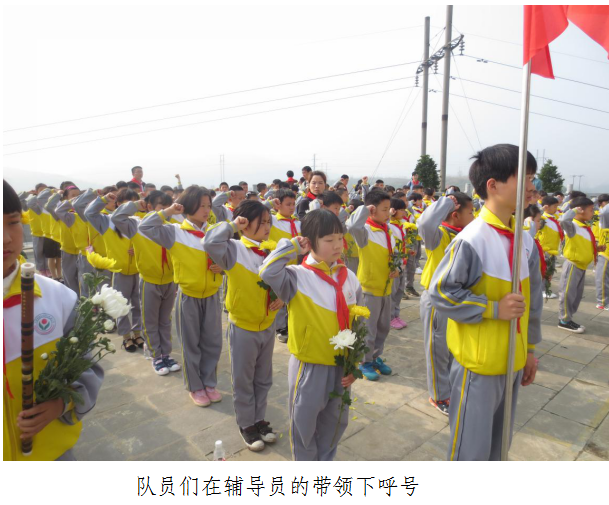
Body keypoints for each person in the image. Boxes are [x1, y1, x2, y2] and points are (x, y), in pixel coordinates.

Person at [429, 144, 542, 461]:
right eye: (525, 178)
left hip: (513, 361)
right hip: (478, 366)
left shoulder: (525, 241)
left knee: (499, 447)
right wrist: (493, 309)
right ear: (493, 185)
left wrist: (530, 349)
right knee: (471, 451)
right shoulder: (472, 239)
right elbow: (441, 293)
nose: (532, 186)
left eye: (533, 178)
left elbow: (532, 302)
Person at [3, 180, 103, 461]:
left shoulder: (59, 298)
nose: (6, 238)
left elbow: (87, 370)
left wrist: (61, 404)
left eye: (12, 222)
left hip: (51, 454)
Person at [259, 209, 362, 460]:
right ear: (310, 242)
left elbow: (359, 322)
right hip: (310, 366)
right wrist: (293, 246)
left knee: (336, 422)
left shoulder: (349, 277)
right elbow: (267, 272)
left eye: (340, 238)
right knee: (303, 424)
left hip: (341, 366)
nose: (337, 245)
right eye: (328, 240)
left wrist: (355, 362)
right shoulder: (296, 276)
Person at [204, 201, 283, 451]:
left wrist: (282, 296)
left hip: (267, 325)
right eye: (262, 222)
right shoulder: (233, 249)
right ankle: (246, 424)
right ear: (245, 224)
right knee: (244, 379)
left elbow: (286, 279)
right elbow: (209, 243)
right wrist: (232, 226)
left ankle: (259, 419)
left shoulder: (272, 250)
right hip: (243, 327)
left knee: (263, 378)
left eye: (269, 222)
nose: (267, 227)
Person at [139, 186, 224, 407]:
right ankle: (195, 387)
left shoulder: (215, 231)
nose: (206, 210)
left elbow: (229, 258)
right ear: (188, 206)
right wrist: (168, 211)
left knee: (213, 343)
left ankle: (209, 383)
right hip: (188, 296)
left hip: (212, 296)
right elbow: (144, 226)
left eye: (208, 205)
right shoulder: (174, 232)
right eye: (201, 206)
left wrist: (222, 267)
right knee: (191, 344)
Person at [111, 190, 181, 376]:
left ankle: (165, 353)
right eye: (162, 208)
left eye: (168, 208)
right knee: (150, 321)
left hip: (169, 281)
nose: (166, 212)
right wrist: (135, 205)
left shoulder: (171, 227)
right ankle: (154, 354)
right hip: (149, 281)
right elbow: (117, 217)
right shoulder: (137, 226)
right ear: (149, 207)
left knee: (165, 320)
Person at [418, 193, 474, 415]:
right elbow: (425, 222)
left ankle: (451, 387)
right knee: (437, 348)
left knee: (452, 347)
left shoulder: (465, 236)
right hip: (437, 301)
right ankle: (439, 395)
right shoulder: (438, 235)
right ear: (455, 215)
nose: (474, 216)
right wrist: (448, 201)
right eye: (470, 212)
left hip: (457, 299)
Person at [346, 189, 397, 382]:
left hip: (386, 287)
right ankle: (363, 361)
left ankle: (375, 357)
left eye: (389, 208)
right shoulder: (365, 231)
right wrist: (365, 209)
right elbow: (352, 224)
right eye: (384, 209)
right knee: (367, 328)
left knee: (383, 327)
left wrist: (397, 269)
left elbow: (393, 255)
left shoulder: (388, 230)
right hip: (369, 288)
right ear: (373, 210)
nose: (388, 212)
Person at [85, 189, 142, 352]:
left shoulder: (138, 221)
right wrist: (103, 199)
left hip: (139, 270)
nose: (131, 206)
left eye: (134, 202)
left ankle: (138, 334)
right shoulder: (107, 221)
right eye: (127, 203)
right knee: (121, 304)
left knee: (138, 304)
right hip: (119, 270)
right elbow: (89, 213)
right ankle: (126, 337)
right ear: (118, 204)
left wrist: (139, 250)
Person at [557, 196, 597, 333]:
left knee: (576, 295)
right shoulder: (572, 226)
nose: (593, 213)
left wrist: (597, 248)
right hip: (573, 265)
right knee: (568, 294)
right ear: (581, 210)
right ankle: (564, 320)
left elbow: (583, 244)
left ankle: (568, 318)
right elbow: (563, 220)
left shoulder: (584, 226)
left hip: (581, 266)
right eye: (591, 210)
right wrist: (573, 210)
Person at [269, 189, 301, 343]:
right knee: (278, 295)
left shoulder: (298, 223)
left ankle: (290, 324)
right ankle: (280, 327)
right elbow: (257, 210)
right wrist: (270, 202)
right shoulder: (272, 221)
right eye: (288, 204)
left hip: (294, 265)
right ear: (278, 205)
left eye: (294, 204)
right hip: (278, 265)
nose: (292, 207)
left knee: (291, 295)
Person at [46, 186, 82, 295]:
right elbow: (49, 206)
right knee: (69, 278)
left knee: (84, 279)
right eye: (73, 196)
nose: (76, 198)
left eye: (78, 195)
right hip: (68, 249)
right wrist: (58, 194)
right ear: (66, 197)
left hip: (83, 251)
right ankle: (74, 299)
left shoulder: (83, 210)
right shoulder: (60, 212)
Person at [387, 197, 410, 330]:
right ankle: (390, 317)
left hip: (402, 260)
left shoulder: (402, 224)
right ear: (393, 210)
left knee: (400, 290)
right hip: (395, 261)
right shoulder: (389, 225)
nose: (403, 212)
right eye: (401, 209)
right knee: (393, 291)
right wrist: (389, 214)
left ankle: (396, 314)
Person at [537, 195, 562, 299]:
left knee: (549, 271)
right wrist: (541, 210)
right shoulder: (543, 219)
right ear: (546, 207)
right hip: (545, 250)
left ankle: (545, 289)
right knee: (545, 271)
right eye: (554, 206)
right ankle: (543, 290)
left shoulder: (553, 218)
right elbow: (533, 218)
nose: (556, 209)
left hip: (552, 250)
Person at [37, 188, 62, 282]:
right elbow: (40, 197)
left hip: (60, 235)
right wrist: (51, 191)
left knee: (59, 258)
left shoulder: (60, 204)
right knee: (51, 258)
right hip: (49, 235)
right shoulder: (46, 206)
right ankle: (54, 276)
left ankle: (60, 275)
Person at [595, 194, 609, 310]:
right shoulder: (603, 212)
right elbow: (604, 212)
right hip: (605, 249)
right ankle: (602, 302)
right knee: (603, 277)